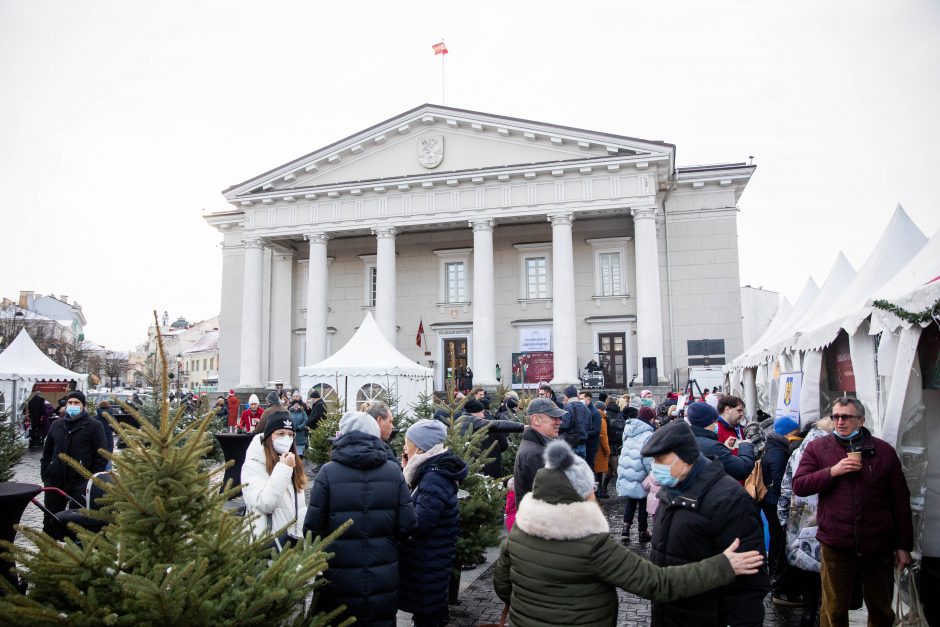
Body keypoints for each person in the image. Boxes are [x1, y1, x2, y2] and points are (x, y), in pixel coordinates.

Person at [494, 439, 765, 627]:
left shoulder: (519, 531)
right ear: (578, 494)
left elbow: (503, 585)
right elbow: (656, 583)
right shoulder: (593, 546)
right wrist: (722, 566)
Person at [792, 397, 913, 627]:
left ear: (861, 420)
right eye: (835, 416)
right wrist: (832, 471)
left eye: (846, 417)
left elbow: (899, 499)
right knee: (834, 609)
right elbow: (800, 484)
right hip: (836, 541)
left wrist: (904, 545)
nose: (839, 422)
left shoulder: (882, 451)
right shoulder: (819, 447)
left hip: (877, 543)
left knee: (880, 609)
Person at [641, 419, 770, 626]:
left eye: (660, 459)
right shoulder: (670, 490)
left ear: (686, 457)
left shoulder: (730, 501)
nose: (655, 466)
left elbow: (747, 585)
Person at [303, 411, 417, 626]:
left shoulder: (327, 473)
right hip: (384, 571)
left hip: (339, 574)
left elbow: (312, 529)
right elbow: (408, 524)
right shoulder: (393, 471)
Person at [398, 419, 469, 627]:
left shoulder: (433, 478)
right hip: (430, 559)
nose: (404, 447)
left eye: (407, 442)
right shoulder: (429, 471)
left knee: (428, 617)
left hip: (427, 562)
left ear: (419, 447)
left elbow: (421, 522)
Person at [777, 418, 833, 626]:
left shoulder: (797, 452)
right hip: (829, 518)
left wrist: (784, 519)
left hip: (800, 519)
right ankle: (822, 612)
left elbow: (786, 487)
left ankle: (809, 612)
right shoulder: (837, 451)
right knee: (829, 571)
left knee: (807, 569)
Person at [39, 391, 108, 536]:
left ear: (83, 406)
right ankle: (47, 551)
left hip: (80, 482)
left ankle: (74, 553)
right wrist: (46, 473)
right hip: (55, 481)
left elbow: (101, 455)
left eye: (77, 403)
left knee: (76, 522)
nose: (73, 405)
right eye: (70, 402)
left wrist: (91, 479)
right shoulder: (57, 425)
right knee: (50, 519)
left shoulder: (94, 426)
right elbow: (47, 453)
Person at [241, 410, 307, 544]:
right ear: (269, 436)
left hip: (292, 542)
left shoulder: (292, 462)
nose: (286, 438)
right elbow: (264, 504)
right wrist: (283, 469)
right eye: (280, 434)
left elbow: (299, 506)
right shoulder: (253, 465)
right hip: (268, 541)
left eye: (290, 435)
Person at [761, 415, 801, 600]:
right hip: (774, 502)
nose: (796, 436)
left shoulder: (774, 447)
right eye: (794, 432)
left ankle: (774, 576)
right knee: (778, 540)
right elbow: (779, 481)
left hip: (771, 501)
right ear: (787, 433)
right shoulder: (778, 452)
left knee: (777, 539)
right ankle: (776, 579)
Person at [687, 401, 756, 481]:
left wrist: (724, 448)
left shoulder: (688, 440)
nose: (717, 425)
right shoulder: (713, 447)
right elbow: (742, 469)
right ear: (709, 424)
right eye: (715, 422)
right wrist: (745, 445)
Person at [456, 399, 524, 478]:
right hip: (482, 468)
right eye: (482, 412)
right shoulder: (472, 421)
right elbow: (497, 425)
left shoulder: (461, 420)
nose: (483, 416)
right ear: (474, 412)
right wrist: (522, 427)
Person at [617, 405, 656, 543]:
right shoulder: (648, 435)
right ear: (650, 419)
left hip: (628, 468)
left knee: (631, 499)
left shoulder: (629, 429)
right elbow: (647, 459)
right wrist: (651, 473)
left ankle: (625, 528)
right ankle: (642, 531)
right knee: (643, 501)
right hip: (641, 471)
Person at [513, 397, 564, 499]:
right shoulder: (537, 454)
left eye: (559, 418)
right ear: (536, 420)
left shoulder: (537, 446)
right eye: (554, 417)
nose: (559, 422)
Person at [560, 385, 589, 460]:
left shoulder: (567, 407)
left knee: (570, 469)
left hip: (571, 444)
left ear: (566, 396)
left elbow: (564, 425)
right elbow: (590, 425)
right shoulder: (585, 407)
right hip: (583, 444)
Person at [579, 390, 603, 478]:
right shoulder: (584, 410)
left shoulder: (595, 412)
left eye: (582, 399)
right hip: (584, 443)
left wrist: (582, 434)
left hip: (591, 445)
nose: (580, 401)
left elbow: (596, 430)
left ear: (588, 399)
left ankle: (595, 490)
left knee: (590, 468)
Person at [593, 401, 611, 498]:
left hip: (593, 450)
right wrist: (607, 451)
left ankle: (597, 493)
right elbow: (603, 437)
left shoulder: (592, 416)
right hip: (599, 451)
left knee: (594, 474)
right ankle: (598, 494)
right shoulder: (601, 420)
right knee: (598, 475)